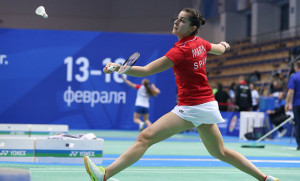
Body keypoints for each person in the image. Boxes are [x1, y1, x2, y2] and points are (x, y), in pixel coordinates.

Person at [84, 8, 279, 181]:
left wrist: (119, 67)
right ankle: (265, 178)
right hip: (205, 103)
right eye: (177, 19)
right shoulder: (200, 42)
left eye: (182, 20)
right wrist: (225, 45)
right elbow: (219, 50)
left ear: (192, 28)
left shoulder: (180, 51)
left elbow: (147, 71)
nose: (176, 22)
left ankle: (105, 175)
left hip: (192, 106)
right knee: (220, 152)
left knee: (145, 137)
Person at [285, 59, 300, 151]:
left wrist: (287, 103)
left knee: (298, 124)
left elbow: (291, 91)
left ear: (296, 67)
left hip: (297, 104)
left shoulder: (294, 76)